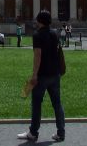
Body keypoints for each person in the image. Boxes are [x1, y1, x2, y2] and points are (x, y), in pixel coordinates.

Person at [17, 10, 65, 142]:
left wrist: (34, 75)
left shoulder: (37, 35)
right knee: (57, 104)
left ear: (39, 21)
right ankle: (61, 133)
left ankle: (33, 133)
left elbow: (37, 56)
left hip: (42, 75)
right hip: (55, 74)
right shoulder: (55, 34)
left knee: (37, 104)